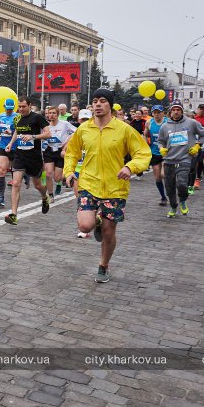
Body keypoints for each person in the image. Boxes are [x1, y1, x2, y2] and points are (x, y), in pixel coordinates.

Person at [64, 88, 151, 283]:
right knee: (85, 226)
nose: (97, 104)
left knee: (108, 232)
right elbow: (72, 152)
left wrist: (130, 167)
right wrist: (69, 172)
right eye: (95, 101)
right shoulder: (84, 129)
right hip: (88, 182)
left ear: (110, 105)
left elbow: (143, 154)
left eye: (102, 101)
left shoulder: (124, 129)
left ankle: (103, 265)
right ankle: (96, 221)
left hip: (115, 187)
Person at [3, 97, 52, 225]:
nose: (21, 109)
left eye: (23, 106)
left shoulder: (37, 118)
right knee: (16, 183)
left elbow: (48, 134)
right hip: (20, 155)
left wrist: (33, 136)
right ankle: (14, 214)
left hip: (34, 157)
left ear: (30, 105)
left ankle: (44, 197)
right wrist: (10, 143)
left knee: (38, 185)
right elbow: (17, 132)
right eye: (19, 106)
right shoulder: (17, 118)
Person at [157, 101, 204, 218]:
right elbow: (160, 141)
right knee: (169, 188)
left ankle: (183, 201)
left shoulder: (191, 123)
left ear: (182, 111)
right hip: (169, 160)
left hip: (184, 158)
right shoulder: (165, 126)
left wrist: (197, 145)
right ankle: (173, 206)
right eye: (174, 110)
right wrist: (161, 148)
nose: (176, 112)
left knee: (181, 184)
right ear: (170, 112)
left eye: (178, 110)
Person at [43, 105, 76, 200]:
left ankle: (68, 176)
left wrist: (66, 143)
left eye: (54, 113)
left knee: (57, 178)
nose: (51, 115)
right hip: (49, 151)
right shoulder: (46, 127)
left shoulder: (64, 124)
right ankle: (50, 195)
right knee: (48, 174)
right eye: (50, 113)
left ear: (57, 114)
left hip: (60, 151)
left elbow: (77, 132)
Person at [0, 98, 18, 209]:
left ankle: (23, 179)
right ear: (4, 107)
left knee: (15, 171)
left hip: (15, 147)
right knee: (2, 170)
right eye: (7, 109)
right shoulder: (1, 116)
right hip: (3, 145)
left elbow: (20, 131)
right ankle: (1, 197)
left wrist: (11, 132)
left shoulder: (17, 117)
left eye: (10, 109)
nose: (9, 111)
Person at [144, 105, 168, 205]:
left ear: (163, 113)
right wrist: (146, 146)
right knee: (158, 177)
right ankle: (163, 197)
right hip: (154, 152)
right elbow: (145, 134)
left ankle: (171, 191)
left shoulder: (167, 122)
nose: (156, 114)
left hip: (166, 152)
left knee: (163, 174)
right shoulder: (149, 122)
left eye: (159, 112)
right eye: (154, 112)